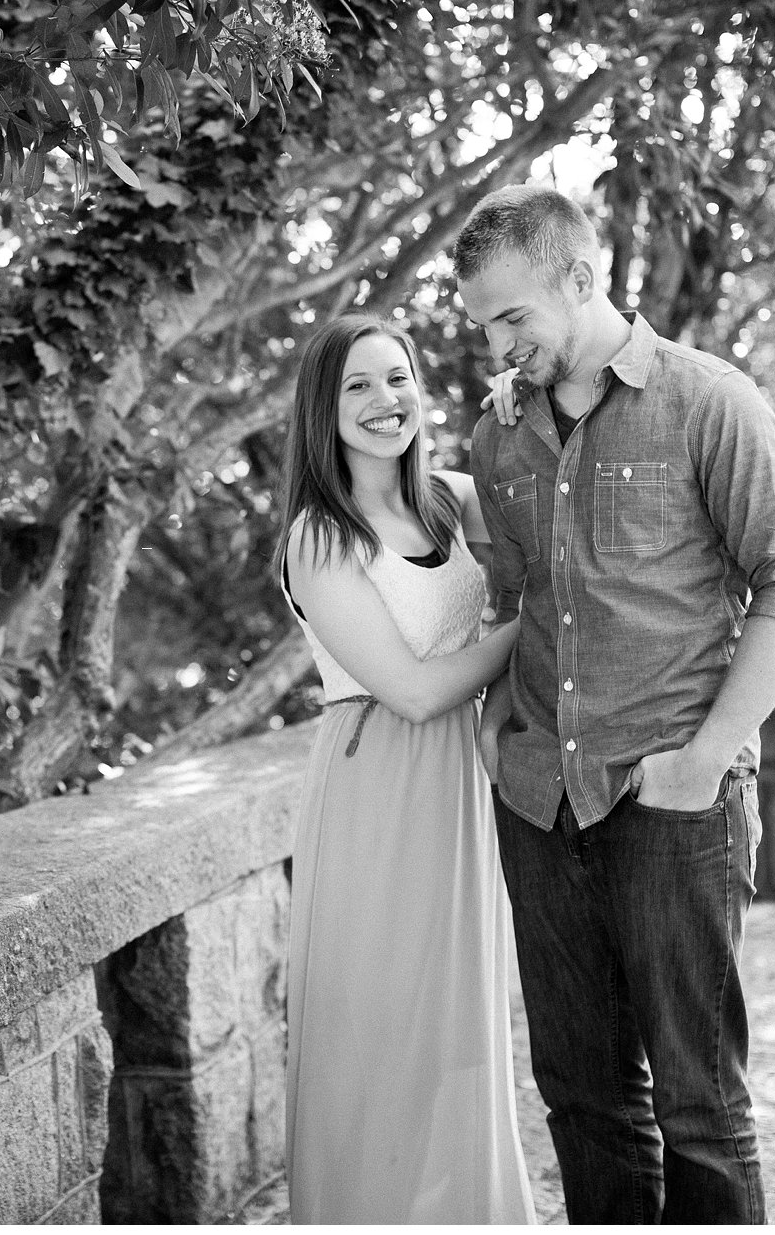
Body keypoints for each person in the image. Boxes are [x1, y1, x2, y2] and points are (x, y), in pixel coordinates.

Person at [453, 184, 775, 1224]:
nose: (495, 345)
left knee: (698, 1105)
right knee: (580, 1100)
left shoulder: (709, 400)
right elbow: (519, 593)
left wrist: (710, 753)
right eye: (480, 324)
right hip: (538, 801)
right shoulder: (500, 434)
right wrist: (494, 725)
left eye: (509, 318)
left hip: (674, 798)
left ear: (579, 280)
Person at [275, 313, 533, 1224]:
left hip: (462, 782)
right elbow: (414, 692)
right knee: (379, 1035)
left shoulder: (451, 501)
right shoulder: (321, 537)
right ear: (325, 409)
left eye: (398, 378)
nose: (386, 402)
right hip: (377, 783)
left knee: (458, 1034)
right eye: (357, 386)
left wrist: (520, 408)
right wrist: (527, 636)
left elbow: (547, 521)